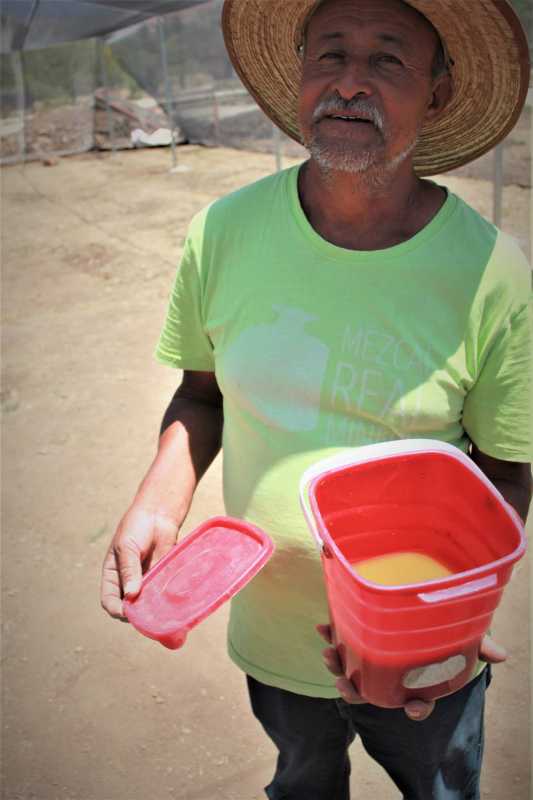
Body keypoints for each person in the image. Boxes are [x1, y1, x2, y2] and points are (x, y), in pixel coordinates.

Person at [100, 0, 532, 797]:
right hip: (272, 632)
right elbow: (202, 398)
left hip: (421, 658)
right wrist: (159, 504)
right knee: (301, 780)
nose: (348, 84)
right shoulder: (221, 234)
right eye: (329, 55)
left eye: (387, 60)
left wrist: (449, 627)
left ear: (435, 95)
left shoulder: (491, 274)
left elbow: (505, 474)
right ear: (299, 79)